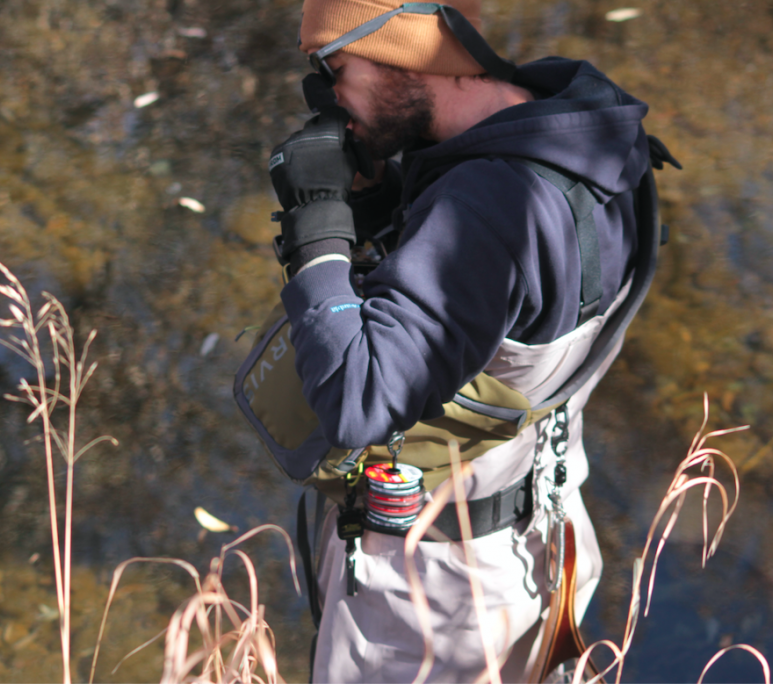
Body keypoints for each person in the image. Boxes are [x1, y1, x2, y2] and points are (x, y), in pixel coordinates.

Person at [263, 1, 665, 680]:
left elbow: (361, 400)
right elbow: (508, 298)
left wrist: (316, 228)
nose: (325, 96)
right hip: (544, 535)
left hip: (433, 601)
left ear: (404, 49)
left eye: (333, 68)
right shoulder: (589, 131)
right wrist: (377, 199)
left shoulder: (487, 205)